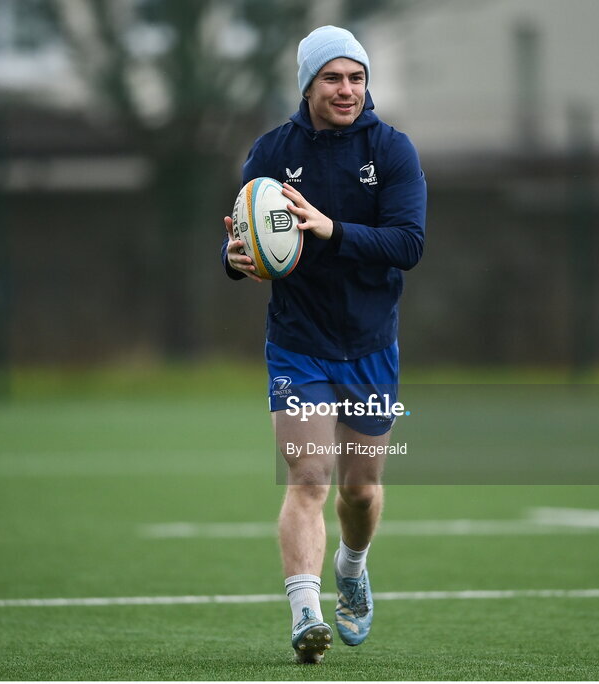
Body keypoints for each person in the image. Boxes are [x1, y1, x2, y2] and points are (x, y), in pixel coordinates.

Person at [220, 25, 426, 664]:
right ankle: (306, 613)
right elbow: (245, 235)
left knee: (359, 492)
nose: (347, 90)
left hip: (369, 342)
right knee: (308, 476)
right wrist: (235, 259)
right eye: (333, 78)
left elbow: (408, 244)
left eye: (356, 78)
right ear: (308, 84)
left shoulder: (392, 151)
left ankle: (353, 566)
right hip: (298, 341)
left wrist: (331, 229)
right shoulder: (270, 152)